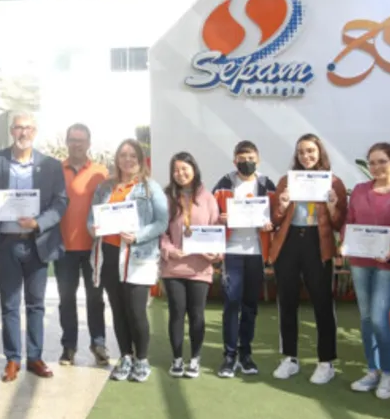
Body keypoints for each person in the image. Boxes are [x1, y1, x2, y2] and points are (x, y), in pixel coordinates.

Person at [0, 111, 67, 382]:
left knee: (36, 304)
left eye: (28, 128)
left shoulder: (51, 165)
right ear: (11, 131)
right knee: (9, 304)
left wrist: (38, 223)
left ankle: (35, 357)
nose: (23, 133)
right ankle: (12, 359)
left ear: (35, 131)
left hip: (37, 243)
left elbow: (60, 203)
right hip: (5, 243)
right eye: (18, 128)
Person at [269, 133, 347, 384]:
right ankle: (289, 358)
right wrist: (281, 204)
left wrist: (334, 206)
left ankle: (326, 362)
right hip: (289, 243)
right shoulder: (286, 181)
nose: (306, 156)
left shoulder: (334, 183)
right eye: (301, 152)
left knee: (322, 303)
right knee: (287, 302)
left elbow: (339, 223)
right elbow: (275, 219)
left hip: (318, 244)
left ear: (320, 152)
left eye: (311, 151)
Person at [87, 139, 167, 382]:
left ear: (140, 160)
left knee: (136, 311)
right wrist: (93, 228)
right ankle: (125, 356)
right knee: (118, 310)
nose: (128, 160)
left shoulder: (150, 188)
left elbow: (161, 222)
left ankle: (141, 359)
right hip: (109, 255)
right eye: (123, 155)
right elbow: (92, 218)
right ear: (117, 159)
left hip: (137, 256)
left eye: (133, 155)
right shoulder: (105, 188)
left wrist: (138, 236)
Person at [342, 142, 390, 399]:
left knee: (380, 317)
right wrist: (344, 243)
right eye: (371, 162)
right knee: (366, 318)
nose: (376, 167)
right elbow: (350, 220)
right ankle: (372, 370)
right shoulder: (359, 190)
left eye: (382, 161)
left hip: (387, 262)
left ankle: (388, 372)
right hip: (360, 260)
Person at [212, 140, 276, 378]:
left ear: (257, 159)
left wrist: (271, 224)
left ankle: (245, 353)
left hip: (257, 252)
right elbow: (211, 212)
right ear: (234, 160)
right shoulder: (224, 184)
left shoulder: (266, 184)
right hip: (232, 250)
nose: (245, 162)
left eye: (250, 158)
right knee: (231, 303)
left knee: (250, 306)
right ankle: (229, 356)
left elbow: (278, 213)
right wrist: (220, 218)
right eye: (241, 158)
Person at [159, 152, 221, 378]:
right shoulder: (166, 197)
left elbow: (215, 229)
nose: (180, 173)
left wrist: (215, 253)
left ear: (194, 169)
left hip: (200, 266)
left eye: (185, 168)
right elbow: (161, 231)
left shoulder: (207, 198)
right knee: (177, 312)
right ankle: (177, 359)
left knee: (197, 314)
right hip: (173, 267)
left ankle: (194, 358)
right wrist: (171, 251)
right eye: (176, 170)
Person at [55, 123, 110, 366]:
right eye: (72, 139)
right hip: (63, 247)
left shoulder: (101, 172)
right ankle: (69, 346)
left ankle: (98, 342)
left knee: (95, 298)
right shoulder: (54, 170)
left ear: (89, 143)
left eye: (81, 140)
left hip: (94, 247)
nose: (77, 144)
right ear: (66, 142)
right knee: (66, 298)